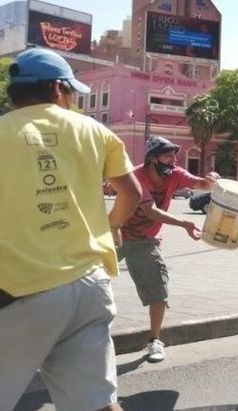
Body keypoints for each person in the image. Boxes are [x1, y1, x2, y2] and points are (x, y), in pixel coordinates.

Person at [0, 47, 141, 411]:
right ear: (57, 88)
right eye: (71, 92)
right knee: (98, 404)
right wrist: (112, 226)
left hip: (19, 290)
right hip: (88, 285)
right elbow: (132, 193)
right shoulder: (94, 130)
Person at [118, 136, 220, 363]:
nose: (173, 161)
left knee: (159, 291)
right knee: (87, 282)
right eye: (167, 156)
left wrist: (211, 179)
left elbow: (202, 184)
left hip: (145, 240)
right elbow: (150, 211)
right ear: (153, 158)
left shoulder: (175, 174)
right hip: (116, 234)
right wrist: (184, 223)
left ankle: (154, 340)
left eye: (174, 156)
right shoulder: (136, 176)